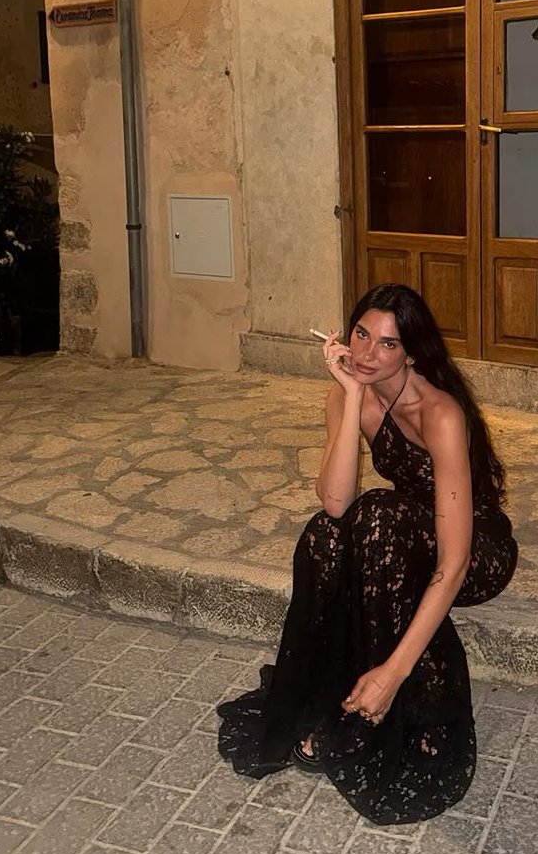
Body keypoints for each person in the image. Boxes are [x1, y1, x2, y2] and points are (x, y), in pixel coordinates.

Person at [217, 283, 518, 825]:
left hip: (475, 549)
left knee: (378, 516)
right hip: (403, 530)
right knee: (325, 536)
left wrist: (395, 672)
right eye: (360, 334)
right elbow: (335, 502)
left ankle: (377, 703)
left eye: (387, 344)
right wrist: (352, 395)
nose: (366, 353)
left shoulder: (440, 413)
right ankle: (326, 698)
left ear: (412, 353)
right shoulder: (349, 390)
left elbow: (453, 563)